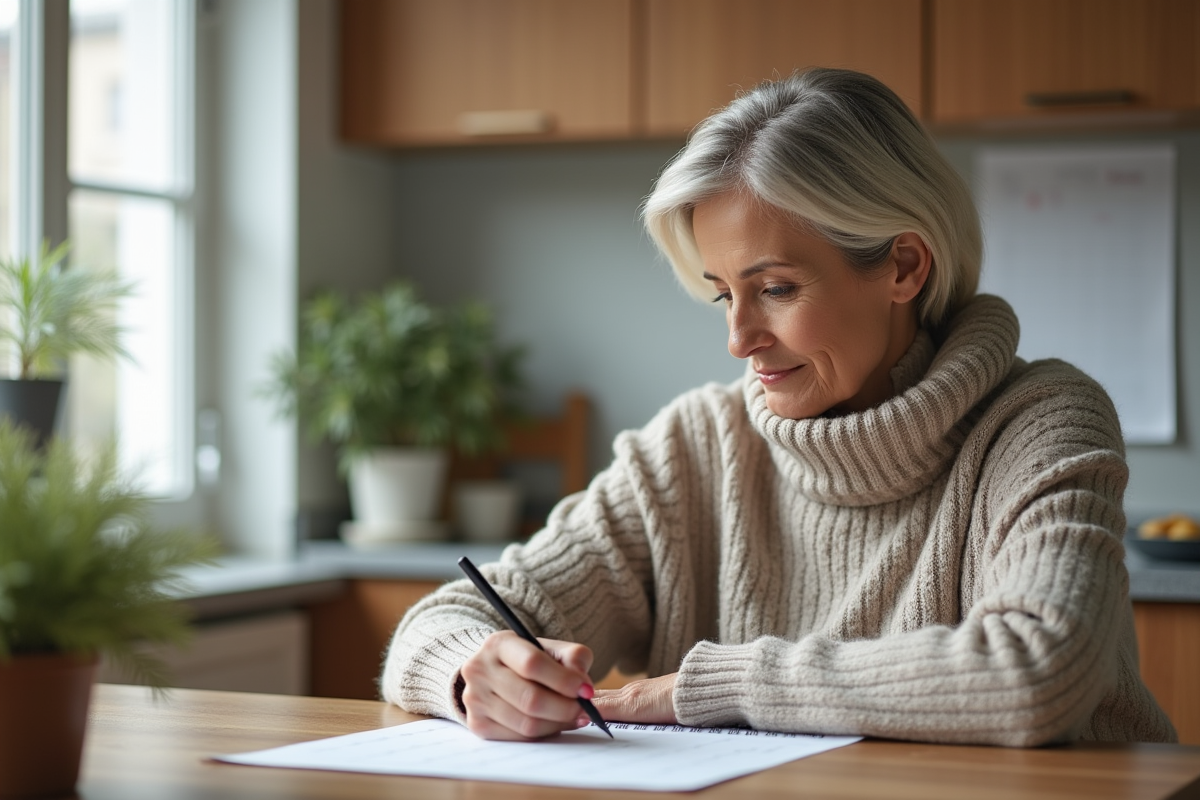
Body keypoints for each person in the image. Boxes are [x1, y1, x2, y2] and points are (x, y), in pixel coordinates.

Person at [380, 68, 1176, 747]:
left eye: (777, 289)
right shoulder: (696, 446)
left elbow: (1037, 671)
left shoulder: (1041, 417)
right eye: (724, 293)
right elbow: (442, 619)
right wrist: (473, 672)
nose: (739, 339)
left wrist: (706, 687)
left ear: (903, 265)